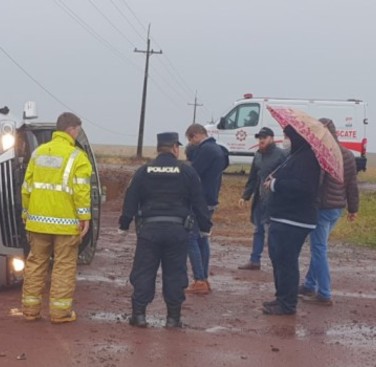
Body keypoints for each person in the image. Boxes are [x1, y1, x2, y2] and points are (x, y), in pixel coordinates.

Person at [118, 132, 212, 328]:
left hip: (149, 231)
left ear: (158, 148)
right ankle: (173, 318)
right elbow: (199, 202)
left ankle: (139, 315)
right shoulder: (187, 172)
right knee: (175, 273)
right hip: (177, 232)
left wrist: (124, 224)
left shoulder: (144, 171)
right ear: (175, 148)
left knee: (144, 271)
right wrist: (205, 227)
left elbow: (131, 199)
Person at [20, 112, 92, 324]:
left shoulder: (38, 153)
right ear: (71, 129)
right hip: (66, 225)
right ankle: (60, 313)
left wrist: (26, 214)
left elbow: (26, 188)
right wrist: (84, 217)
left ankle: (30, 311)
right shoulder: (77, 157)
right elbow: (82, 191)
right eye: (77, 130)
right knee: (63, 267)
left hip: (37, 222)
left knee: (35, 264)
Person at [299, 118, 359, 306]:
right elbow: (352, 184)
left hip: (322, 208)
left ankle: (324, 293)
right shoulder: (348, 155)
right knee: (320, 246)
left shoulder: (322, 154)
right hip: (337, 208)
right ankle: (310, 284)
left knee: (319, 249)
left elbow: (315, 183)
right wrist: (353, 208)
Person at [262, 125, 321, 315]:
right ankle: (281, 297)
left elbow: (303, 188)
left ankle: (287, 304)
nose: (285, 139)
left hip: (294, 220)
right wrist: (275, 177)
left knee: (286, 262)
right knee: (278, 259)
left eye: (287, 136)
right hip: (282, 217)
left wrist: (275, 184)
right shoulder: (295, 156)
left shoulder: (308, 158)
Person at [184, 124, 228, 294]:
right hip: (210, 200)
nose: (191, 143)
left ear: (195, 135)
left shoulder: (206, 150)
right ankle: (203, 279)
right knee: (203, 238)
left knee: (191, 238)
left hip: (200, 201)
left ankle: (199, 279)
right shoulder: (217, 149)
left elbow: (192, 174)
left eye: (190, 139)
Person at [238, 127, 287, 270]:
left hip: (275, 200)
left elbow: (286, 176)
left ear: (271, 138)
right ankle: (254, 260)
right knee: (258, 230)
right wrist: (245, 195)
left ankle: (278, 261)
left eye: (264, 138)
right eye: (259, 138)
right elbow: (253, 177)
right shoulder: (258, 155)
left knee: (274, 232)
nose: (261, 141)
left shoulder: (281, 155)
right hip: (260, 199)